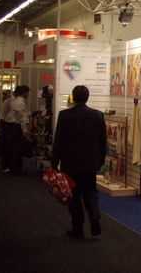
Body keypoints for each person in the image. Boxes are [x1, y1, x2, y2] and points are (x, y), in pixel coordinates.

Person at [52, 85, 106, 240]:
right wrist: (100, 161)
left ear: (73, 97)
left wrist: (55, 162)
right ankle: (95, 223)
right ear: (87, 97)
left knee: (74, 196)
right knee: (91, 194)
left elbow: (59, 140)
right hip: (90, 163)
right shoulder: (97, 115)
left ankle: (78, 228)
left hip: (70, 163)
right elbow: (103, 141)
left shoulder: (64, 115)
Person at [2, 85, 30, 174]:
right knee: (16, 149)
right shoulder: (20, 102)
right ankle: (16, 169)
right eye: (27, 92)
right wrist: (25, 131)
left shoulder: (13, 101)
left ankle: (9, 167)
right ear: (24, 93)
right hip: (16, 127)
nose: (28, 95)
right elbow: (22, 118)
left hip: (9, 126)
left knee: (10, 147)